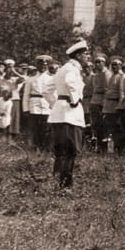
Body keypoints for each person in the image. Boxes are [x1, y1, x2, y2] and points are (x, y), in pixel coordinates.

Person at [49, 40, 90, 190]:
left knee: (61, 151)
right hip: (69, 114)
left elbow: (47, 89)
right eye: (86, 54)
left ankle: (57, 182)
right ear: (78, 55)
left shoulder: (62, 68)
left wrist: (55, 102)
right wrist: (74, 99)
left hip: (59, 113)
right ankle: (65, 185)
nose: (88, 56)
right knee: (70, 150)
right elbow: (70, 83)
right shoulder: (72, 69)